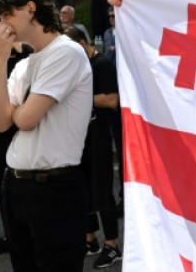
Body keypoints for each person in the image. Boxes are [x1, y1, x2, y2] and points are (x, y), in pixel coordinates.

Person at [0, 0, 93, 272]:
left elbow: (24, 120)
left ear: (30, 8)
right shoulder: (23, 65)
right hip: (16, 184)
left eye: (8, 15)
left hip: (54, 187)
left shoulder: (66, 51)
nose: (3, 26)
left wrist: (16, 109)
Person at [65, 27, 122, 269]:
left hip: (99, 135)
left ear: (81, 42)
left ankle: (112, 244)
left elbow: (111, 100)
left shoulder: (102, 64)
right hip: (79, 136)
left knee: (102, 190)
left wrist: (77, 97)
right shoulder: (76, 67)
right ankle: (90, 240)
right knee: (82, 188)